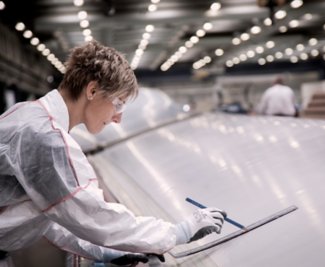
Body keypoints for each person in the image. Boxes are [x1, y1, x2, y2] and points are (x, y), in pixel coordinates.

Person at [0, 40, 226, 267]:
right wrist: (179, 232)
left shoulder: (28, 115)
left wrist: (104, 251)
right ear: (92, 90)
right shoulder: (45, 137)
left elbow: (50, 214)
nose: (118, 118)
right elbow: (92, 214)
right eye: (118, 104)